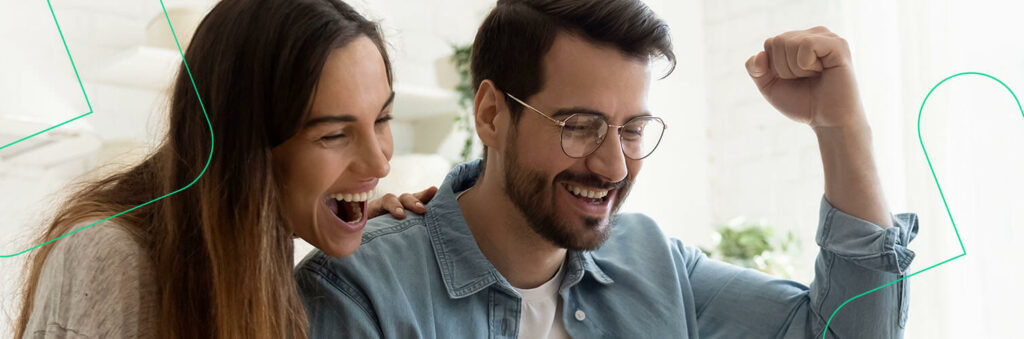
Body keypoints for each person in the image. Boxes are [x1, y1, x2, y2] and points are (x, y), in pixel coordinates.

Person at [295, 0, 919, 338]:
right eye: (579, 126)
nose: (614, 164)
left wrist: (841, 129)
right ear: (490, 114)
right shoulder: (361, 294)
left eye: (634, 129)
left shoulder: (653, 262)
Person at [14, 0, 434, 338]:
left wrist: (369, 237)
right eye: (333, 136)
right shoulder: (110, 257)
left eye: (381, 119)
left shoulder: (261, 259)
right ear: (244, 150)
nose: (380, 162)